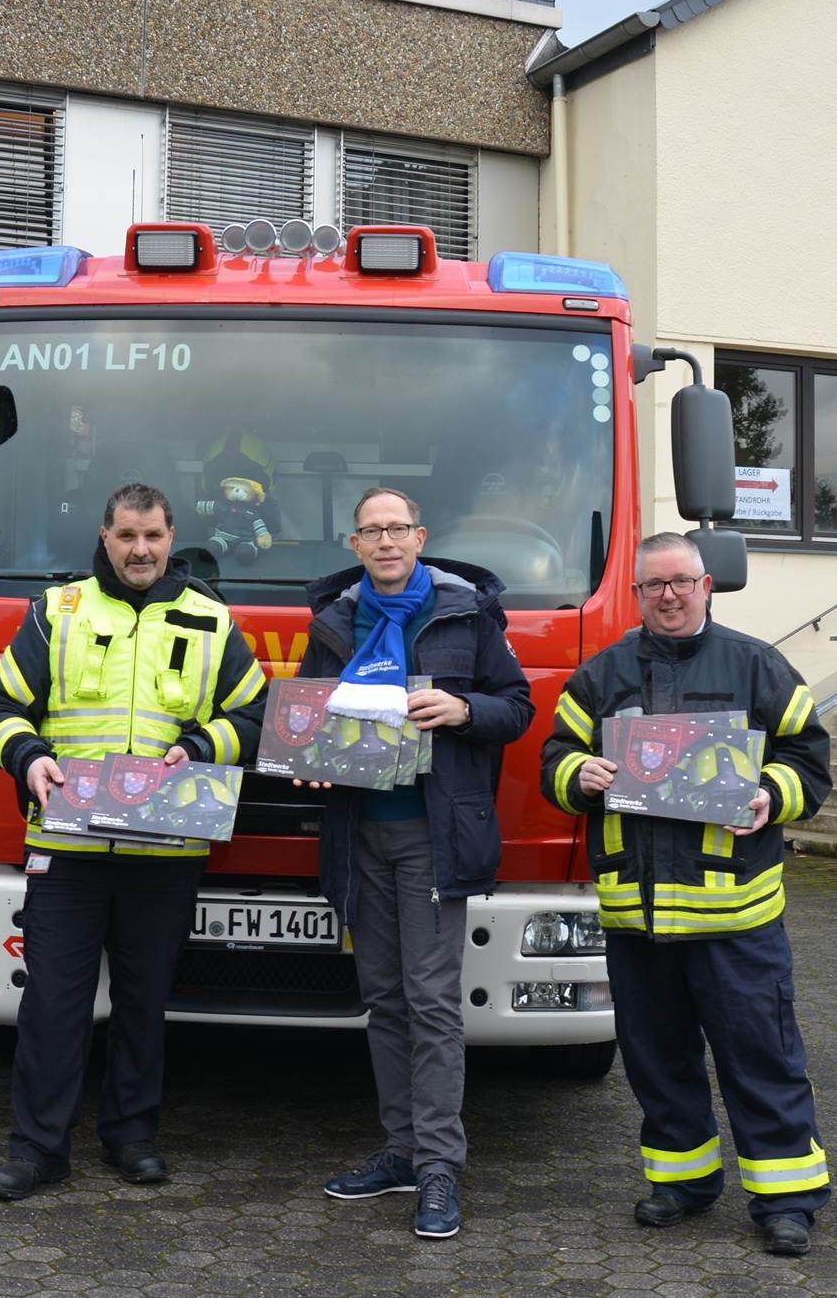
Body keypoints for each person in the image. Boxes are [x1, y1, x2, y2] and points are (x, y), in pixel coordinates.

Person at [539, 531, 831, 1259]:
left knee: (759, 1053)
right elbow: (555, 755)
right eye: (653, 585)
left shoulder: (758, 664)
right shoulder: (600, 674)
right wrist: (578, 775)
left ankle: (786, 1197)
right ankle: (683, 1180)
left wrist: (771, 791)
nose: (667, 595)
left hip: (733, 914)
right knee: (656, 1056)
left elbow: (810, 757)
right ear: (637, 595)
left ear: (707, 586)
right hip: (636, 913)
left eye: (680, 581)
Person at [0, 482, 267, 1201]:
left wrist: (203, 743)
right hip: (67, 849)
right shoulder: (58, 611)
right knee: (53, 1004)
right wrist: (28, 757)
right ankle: (39, 1148)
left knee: (143, 1003)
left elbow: (256, 712)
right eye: (128, 535)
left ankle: (132, 1136)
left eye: (154, 536)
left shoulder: (212, 619)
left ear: (172, 537)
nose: (141, 550)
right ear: (104, 535)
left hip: (164, 851)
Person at [304, 488, 534, 1241]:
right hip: (359, 829)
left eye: (397, 528)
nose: (386, 540)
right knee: (385, 999)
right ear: (356, 542)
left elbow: (517, 706)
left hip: (435, 835)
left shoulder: (466, 613)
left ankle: (439, 1166)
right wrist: (306, 755)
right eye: (371, 530)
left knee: (432, 1001)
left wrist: (464, 710)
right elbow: (307, 713)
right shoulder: (337, 618)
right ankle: (401, 1150)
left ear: (420, 535)